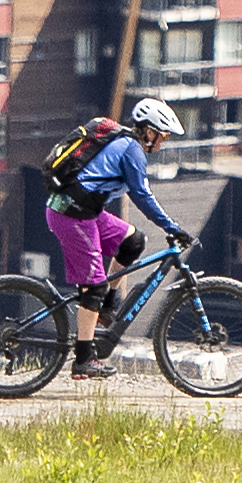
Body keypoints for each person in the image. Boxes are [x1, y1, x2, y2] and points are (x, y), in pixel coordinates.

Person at [48, 97, 186, 377]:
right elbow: (142, 196)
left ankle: (108, 305)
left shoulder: (124, 142)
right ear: (148, 130)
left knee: (133, 241)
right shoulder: (131, 150)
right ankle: (83, 360)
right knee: (93, 287)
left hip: (84, 211)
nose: (162, 143)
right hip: (71, 214)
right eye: (162, 136)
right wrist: (171, 227)